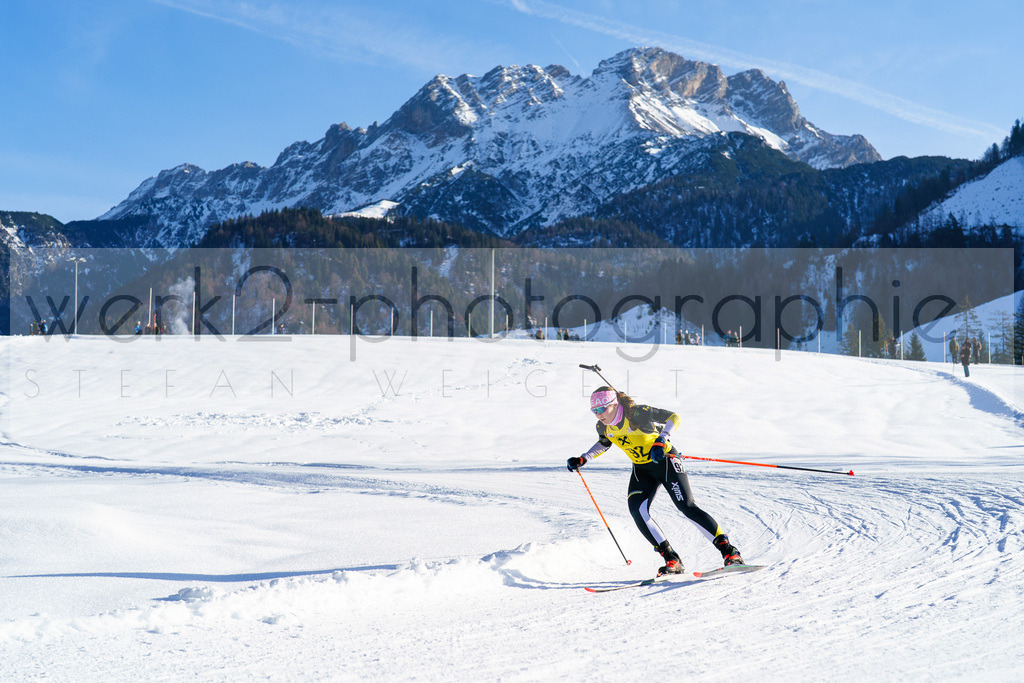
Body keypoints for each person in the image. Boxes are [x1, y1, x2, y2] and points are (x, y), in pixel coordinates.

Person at [567, 386, 745, 575]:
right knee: (637, 511)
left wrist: (661, 440)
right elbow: (604, 443)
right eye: (594, 411)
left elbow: (674, 418)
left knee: (686, 505)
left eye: (602, 409)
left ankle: (730, 553)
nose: (598, 415)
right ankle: (671, 559)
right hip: (642, 469)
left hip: (666, 461)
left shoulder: (637, 413)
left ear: (614, 404)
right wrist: (584, 458)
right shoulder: (602, 426)